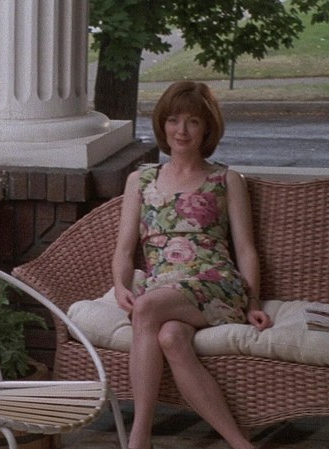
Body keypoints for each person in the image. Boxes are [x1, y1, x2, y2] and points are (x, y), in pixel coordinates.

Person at [111, 81, 273, 449]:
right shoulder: (140, 180)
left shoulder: (226, 180)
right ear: (162, 125)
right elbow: (124, 249)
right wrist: (120, 285)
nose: (181, 130)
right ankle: (241, 444)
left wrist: (253, 302)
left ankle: (139, 438)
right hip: (165, 288)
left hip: (215, 284)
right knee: (170, 337)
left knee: (146, 308)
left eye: (193, 121)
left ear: (207, 129)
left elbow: (246, 248)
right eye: (173, 120)